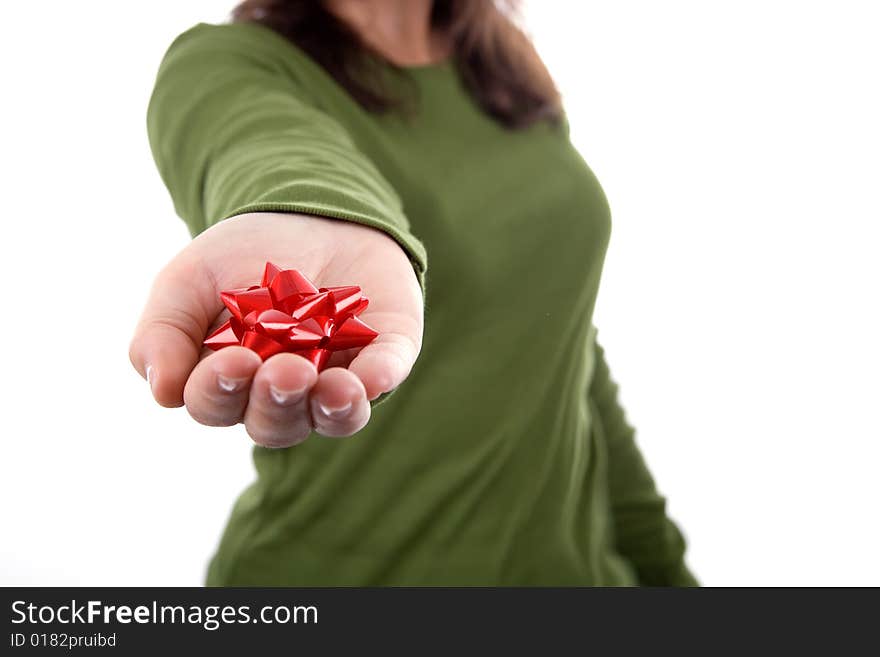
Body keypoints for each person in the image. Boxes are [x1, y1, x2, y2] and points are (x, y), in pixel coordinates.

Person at [131, 0, 698, 586]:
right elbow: (266, 144)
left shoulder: (501, 60)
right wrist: (324, 212)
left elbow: (565, 352)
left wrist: (665, 570)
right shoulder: (225, 64)